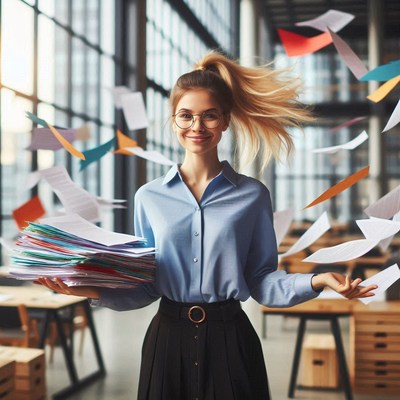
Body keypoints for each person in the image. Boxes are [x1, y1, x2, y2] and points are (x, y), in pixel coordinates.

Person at [37, 50, 377, 400]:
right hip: (166, 342)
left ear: (225, 121)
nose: (197, 126)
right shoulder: (149, 197)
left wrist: (317, 280)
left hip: (232, 341)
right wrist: (87, 289)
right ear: (173, 121)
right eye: (186, 116)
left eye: (209, 116)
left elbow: (261, 281)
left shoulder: (253, 195)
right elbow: (146, 285)